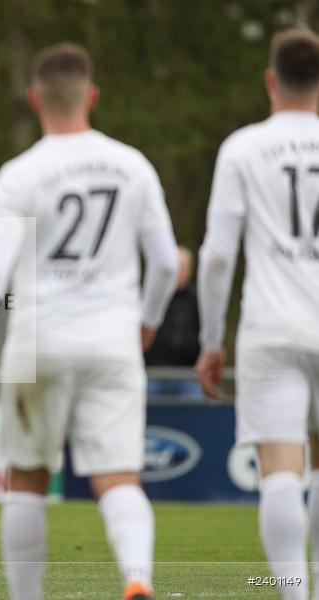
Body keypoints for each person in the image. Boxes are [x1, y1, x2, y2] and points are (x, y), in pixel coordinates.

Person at [0, 43, 178, 600]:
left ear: (34, 98)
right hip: (112, 341)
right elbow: (165, 261)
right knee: (118, 479)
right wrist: (147, 320)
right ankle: (136, 577)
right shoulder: (132, 164)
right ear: (92, 95)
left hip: (38, 343)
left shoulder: (21, 173)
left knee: (26, 480)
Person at [195, 29, 319, 600]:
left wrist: (211, 338)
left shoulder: (244, 147)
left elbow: (218, 255)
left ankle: (296, 594)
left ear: (271, 80)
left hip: (271, 327)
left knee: (280, 470)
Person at [144, 245, 201, 399]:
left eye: (183, 267)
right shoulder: (153, 297)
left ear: (190, 269)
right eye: (176, 266)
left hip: (188, 376)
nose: (178, 271)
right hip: (154, 374)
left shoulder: (199, 299)